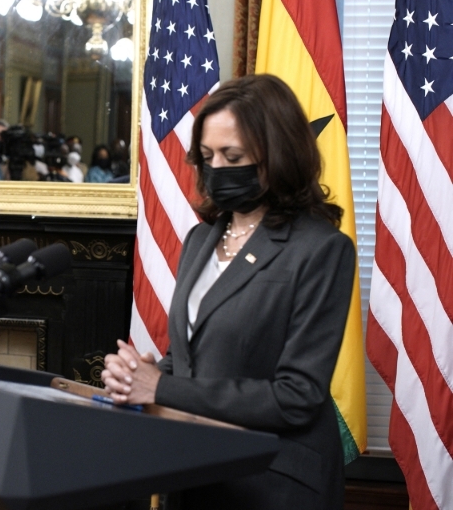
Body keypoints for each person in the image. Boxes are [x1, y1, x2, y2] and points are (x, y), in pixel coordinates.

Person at [101, 74, 356, 510]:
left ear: (277, 153)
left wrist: (160, 388)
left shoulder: (322, 249)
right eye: (206, 157)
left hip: (271, 481)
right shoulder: (201, 240)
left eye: (232, 155)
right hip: (195, 468)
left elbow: (298, 396)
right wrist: (140, 374)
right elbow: (194, 356)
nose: (217, 168)